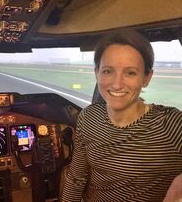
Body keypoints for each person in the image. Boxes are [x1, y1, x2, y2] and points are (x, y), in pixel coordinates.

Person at [62, 29, 182, 202]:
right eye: (108, 71)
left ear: (147, 77)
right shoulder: (88, 117)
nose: (117, 84)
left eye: (130, 73)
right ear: (97, 73)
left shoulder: (171, 124)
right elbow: (76, 178)